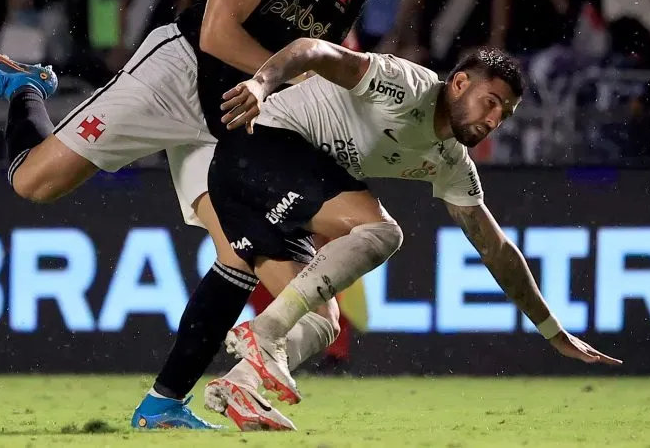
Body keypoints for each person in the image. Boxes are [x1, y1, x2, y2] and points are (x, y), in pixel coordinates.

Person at [0, 0, 385, 431]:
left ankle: (162, 404)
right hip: (180, 72)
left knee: (248, 255)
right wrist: (280, 80)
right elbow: (216, 34)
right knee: (35, 183)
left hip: (234, 113)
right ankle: (24, 86)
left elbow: (312, 63)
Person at [209, 40, 622, 418]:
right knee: (382, 232)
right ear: (459, 83)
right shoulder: (403, 84)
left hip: (254, 192)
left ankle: (240, 385)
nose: (494, 120)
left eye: (504, 114)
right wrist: (262, 84)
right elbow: (313, 50)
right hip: (257, 143)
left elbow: (495, 249)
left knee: (323, 322)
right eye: (490, 102)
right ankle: (264, 330)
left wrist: (552, 330)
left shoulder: (452, 161)